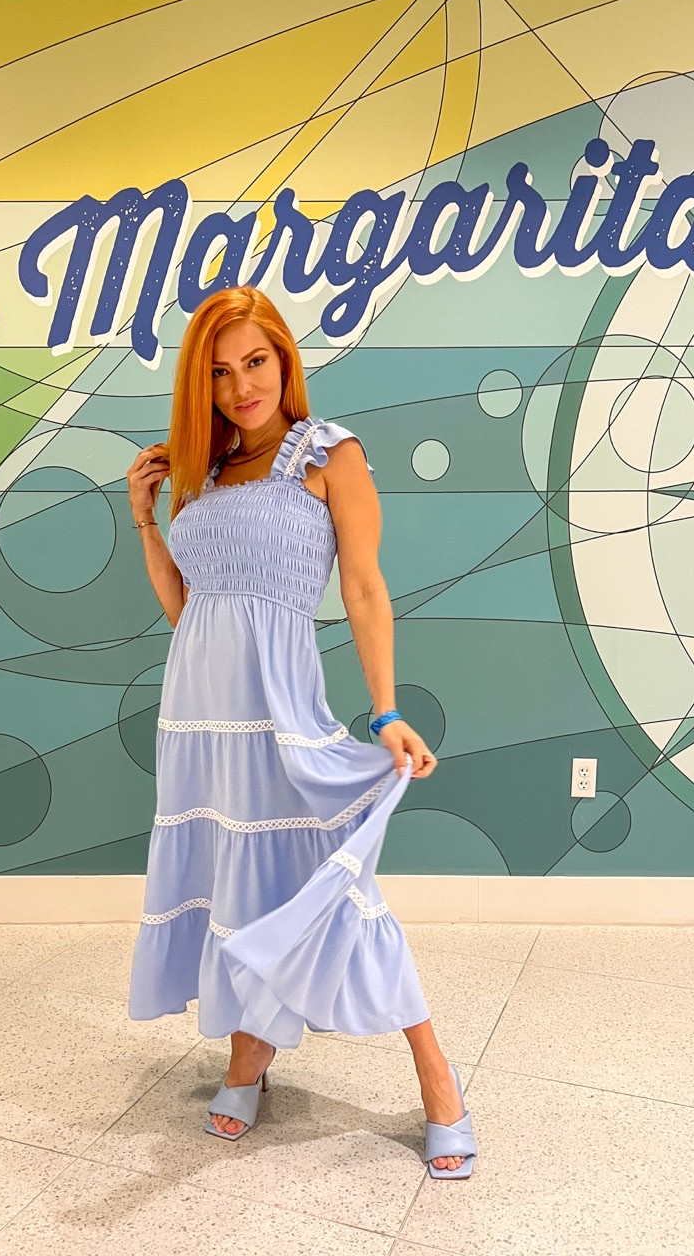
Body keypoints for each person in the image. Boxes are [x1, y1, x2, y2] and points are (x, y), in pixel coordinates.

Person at [125, 286, 476, 1179]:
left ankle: (436, 1077)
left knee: (337, 893)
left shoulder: (327, 453)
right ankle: (251, 1055)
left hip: (281, 714)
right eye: (217, 372)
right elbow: (190, 614)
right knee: (233, 890)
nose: (240, 386)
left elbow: (362, 587)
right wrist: (145, 523)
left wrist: (387, 709)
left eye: (255, 361)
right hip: (201, 722)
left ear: (284, 358)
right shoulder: (200, 477)